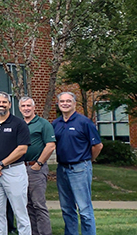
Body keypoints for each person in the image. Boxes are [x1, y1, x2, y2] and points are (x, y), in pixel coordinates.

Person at [0, 92, 31, 235]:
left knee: (20, 211)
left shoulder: (19, 123)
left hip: (14, 171)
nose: (1, 105)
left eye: (4, 102)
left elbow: (22, 149)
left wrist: (0, 164)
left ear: (9, 104)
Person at [52, 91, 102, 235]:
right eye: (62, 101)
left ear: (74, 103)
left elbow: (98, 146)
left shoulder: (84, 122)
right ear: (58, 104)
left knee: (84, 209)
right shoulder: (56, 123)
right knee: (67, 208)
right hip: (62, 169)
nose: (65, 104)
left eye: (68, 101)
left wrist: (88, 161)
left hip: (80, 168)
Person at [19, 97, 55, 235]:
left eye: (29, 105)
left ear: (34, 108)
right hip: (21, 168)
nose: (26, 108)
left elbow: (50, 145)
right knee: (27, 205)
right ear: (20, 108)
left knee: (39, 205)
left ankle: (45, 233)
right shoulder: (20, 124)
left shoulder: (43, 124)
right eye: (23, 106)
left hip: (36, 168)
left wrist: (39, 163)